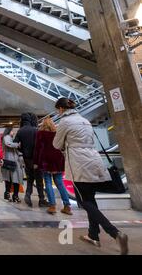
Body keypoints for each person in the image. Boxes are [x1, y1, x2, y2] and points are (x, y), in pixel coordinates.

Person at [53, 98, 129, 255]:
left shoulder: (65, 122)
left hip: (78, 163)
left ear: (61, 109)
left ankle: (115, 233)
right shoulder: (85, 120)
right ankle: (93, 235)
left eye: (57, 110)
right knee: (90, 199)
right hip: (93, 160)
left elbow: (56, 144)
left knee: (83, 201)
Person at [34, 117, 72, 215]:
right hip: (58, 159)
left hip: (46, 160)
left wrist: (36, 162)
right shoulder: (57, 133)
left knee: (48, 182)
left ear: (43, 124)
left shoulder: (40, 134)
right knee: (60, 183)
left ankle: (52, 206)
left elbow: (37, 149)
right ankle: (67, 206)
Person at [14, 113, 49, 208]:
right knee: (39, 180)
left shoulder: (20, 131)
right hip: (37, 159)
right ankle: (41, 199)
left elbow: (15, 144)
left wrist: (22, 150)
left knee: (30, 178)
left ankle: (28, 195)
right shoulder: (36, 130)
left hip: (27, 159)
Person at [1, 126, 24, 203]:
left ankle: (11, 194)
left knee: (11, 179)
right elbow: (8, 144)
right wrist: (17, 145)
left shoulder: (10, 138)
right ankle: (13, 195)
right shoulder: (6, 137)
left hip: (11, 161)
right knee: (12, 179)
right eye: (12, 131)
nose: (13, 132)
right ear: (9, 131)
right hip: (10, 161)